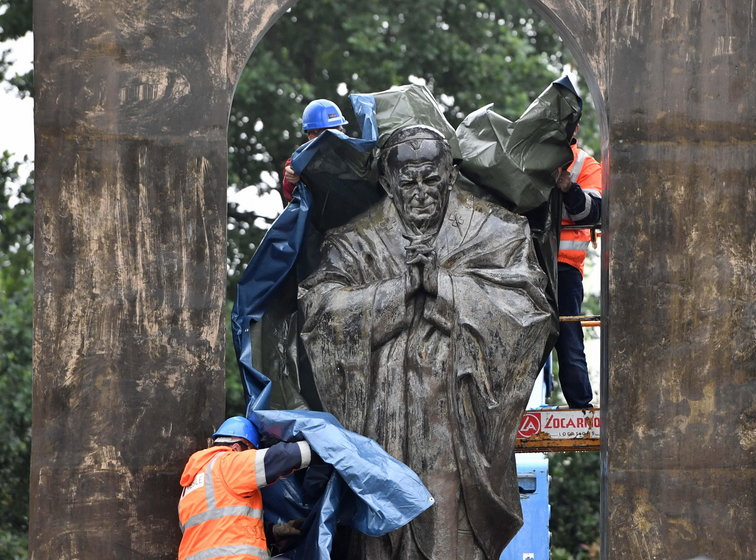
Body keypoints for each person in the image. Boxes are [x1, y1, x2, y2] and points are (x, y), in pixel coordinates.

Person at [298, 125, 555, 559]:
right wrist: (398, 290)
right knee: (378, 532)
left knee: (448, 530)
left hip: (455, 428)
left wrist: (442, 287)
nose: (420, 193)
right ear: (386, 183)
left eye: (431, 179)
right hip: (381, 427)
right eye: (407, 181)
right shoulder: (355, 241)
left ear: (451, 176)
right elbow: (321, 312)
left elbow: (529, 313)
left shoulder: (498, 232)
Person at [177, 416, 312, 560]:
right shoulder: (227, 462)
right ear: (237, 448)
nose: (251, 455)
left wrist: (272, 533)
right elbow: (281, 457)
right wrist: (321, 446)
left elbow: (220, 528)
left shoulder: (190, 486)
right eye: (251, 451)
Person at [553, 126, 602, 409]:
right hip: (528, 266)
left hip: (564, 268)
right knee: (524, 337)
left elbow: (593, 211)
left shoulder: (584, 163)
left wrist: (569, 189)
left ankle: (581, 404)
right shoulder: (529, 158)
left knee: (568, 335)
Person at [281, 99, 349, 206]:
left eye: (339, 131)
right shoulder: (300, 162)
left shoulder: (353, 152)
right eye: (331, 133)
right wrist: (293, 179)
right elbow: (291, 194)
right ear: (312, 137)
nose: (338, 137)